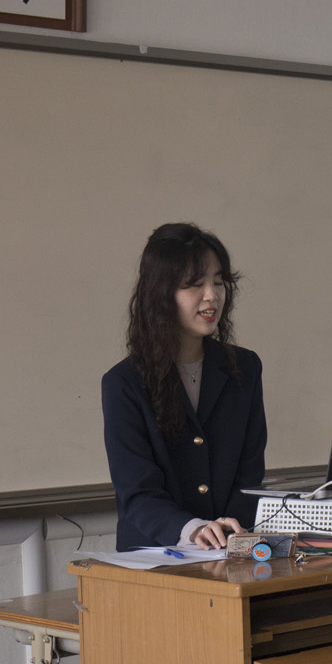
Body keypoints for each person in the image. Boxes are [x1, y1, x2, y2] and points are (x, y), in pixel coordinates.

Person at [101, 223, 267, 550]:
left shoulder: (244, 368)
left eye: (218, 282)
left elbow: (249, 479)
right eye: (194, 284)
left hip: (229, 553)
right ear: (161, 294)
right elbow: (137, 494)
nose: (212, 295)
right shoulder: (124, 384)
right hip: (155, 559)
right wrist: (193, 529)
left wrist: (227, 531)